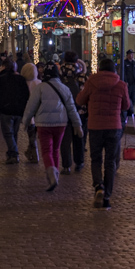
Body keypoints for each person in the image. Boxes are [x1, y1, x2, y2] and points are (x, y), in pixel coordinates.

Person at [76, 57, 130, 208]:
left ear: (99, 69)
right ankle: (107, 196)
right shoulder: (121, 84)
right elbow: (126, 105)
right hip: (114, 126)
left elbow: (80, 100)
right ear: (114, 69)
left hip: (95, 126)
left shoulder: (91, 82)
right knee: (110, 161)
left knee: (96, 159)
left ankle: (98, 186)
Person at [22, 63, 83, 193]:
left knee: (46, 150)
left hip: (43, 124)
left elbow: (30, 106)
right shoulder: (64, 88)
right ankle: (55, 174)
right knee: (55, 149)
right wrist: (77, 124)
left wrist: (26, 121)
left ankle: (51, 172)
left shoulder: (40, 88)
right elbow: (71, 108)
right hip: (61, 123)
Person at [0, 59, 29, 163]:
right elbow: (26, 95)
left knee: (8, 133)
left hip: (5, 110)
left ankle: (14, 153)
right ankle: (11, 153)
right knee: (14, 133)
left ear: (3, 67)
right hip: (18, 110)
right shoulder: (20, 79)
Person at [120, 50, 135, 123]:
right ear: (127, 55)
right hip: (128, 83)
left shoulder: (134, 63)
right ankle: (127, 111)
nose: (131, 56)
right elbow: (123, 73)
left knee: (133, 97)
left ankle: (131, 110)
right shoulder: (125, 63)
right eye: (130, 54)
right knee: (127, 97)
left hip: (133, 83)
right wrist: (125, 81)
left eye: (132, 54)